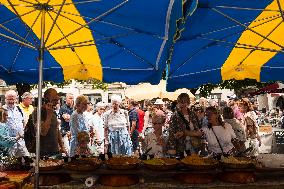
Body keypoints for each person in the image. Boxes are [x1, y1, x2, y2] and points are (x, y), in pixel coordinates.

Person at [33, 88, 66, 157]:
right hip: (44, 152)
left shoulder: (53, 111)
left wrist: (62, 146)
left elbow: (56, 129)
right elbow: (43, 132)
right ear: (46, 100)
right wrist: (49, 115)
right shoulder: (37, 112)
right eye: (55, 100)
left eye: (58, 99)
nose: (57, 102)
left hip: (55, 151)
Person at [3, 90, 29, 157]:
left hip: (21, 141)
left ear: (16, 99)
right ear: (5, 99)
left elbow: (24, 122)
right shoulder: (2, 110)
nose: (11, 101)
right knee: (10, 163)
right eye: (9, 99)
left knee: (26, 159)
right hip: (9, 143)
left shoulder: (19, 109)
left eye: (13, 99)